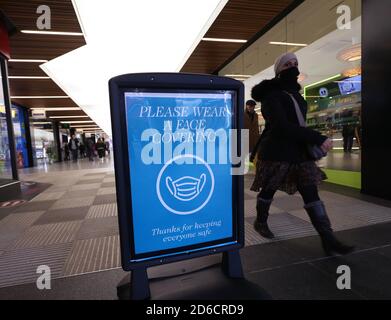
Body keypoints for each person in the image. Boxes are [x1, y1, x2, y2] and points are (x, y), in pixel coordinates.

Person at [250, 52, 354, 256]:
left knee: (311, 193)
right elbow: (281, 126)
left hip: (299, 153)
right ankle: (260, 221)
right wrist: (317, 137)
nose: (293, 66)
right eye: (288, 64)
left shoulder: (296, 95)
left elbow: (297, 124)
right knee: (269, 190)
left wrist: (310, 139)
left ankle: (328, 238)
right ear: (279, 69)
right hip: (277, 152)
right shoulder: (271, 96)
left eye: (295, 63)